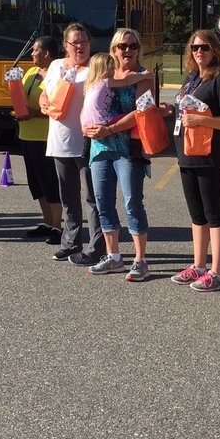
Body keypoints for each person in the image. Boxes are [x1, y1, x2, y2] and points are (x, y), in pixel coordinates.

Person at [81, 28, 155, 280]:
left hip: (128, 149)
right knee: (103, 203)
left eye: (133, 46)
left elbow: (140, 113)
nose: (128, 51)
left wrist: (109, 129)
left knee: (132, 203)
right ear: (114, 50)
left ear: (138, 49)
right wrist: (89, 128)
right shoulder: (104, 74)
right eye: (122, 46)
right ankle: (113, 257)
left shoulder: (143, 77)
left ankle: (140, 260)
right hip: (100, 148)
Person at [168, 30, 220, 292]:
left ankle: (218, 273)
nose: (199, 52)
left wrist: (202, 120)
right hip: (187, 154)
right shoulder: (191, 79)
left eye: (205, 47)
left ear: (215, 50)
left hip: (210, 156)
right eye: (195, 47)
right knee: (197, 215)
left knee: (214, 213)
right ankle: (198, 266)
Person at [41, 23, 102, 264]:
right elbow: (46, 91)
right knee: (68, 197)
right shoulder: (56, 66)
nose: (81, 46)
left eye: (84, 42)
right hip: (60, 141)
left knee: (93, 198)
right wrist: (45, 101)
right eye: (75, 42)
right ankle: (71, 242)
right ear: (66, 45)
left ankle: (98, 246)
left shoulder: (94, 69)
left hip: (87, 142)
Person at [18, 36, 62, 242]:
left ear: (47, 54)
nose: (32, 53)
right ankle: (47, 221)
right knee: (36, 183)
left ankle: (57, 225)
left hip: (45, 137)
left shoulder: (58, 74)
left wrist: (34, 113)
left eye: (35, 50)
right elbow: (22, 97)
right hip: (26, 134)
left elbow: (59, 104)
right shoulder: (31, 72)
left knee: (50, 181)